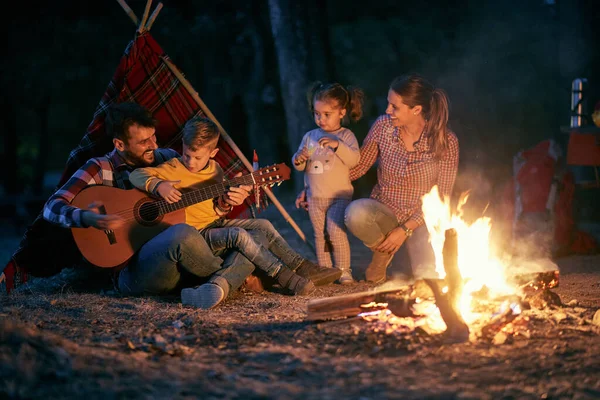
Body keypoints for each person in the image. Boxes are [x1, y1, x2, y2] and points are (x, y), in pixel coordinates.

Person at [42, 102, 258, 309]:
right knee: (183, 233)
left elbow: (202, 210)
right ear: (119, 144)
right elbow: (51, 207)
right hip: (133, 272)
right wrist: (86, 217)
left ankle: (222, 282)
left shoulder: (168, 158)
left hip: (177, 259)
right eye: (144, 141)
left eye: (154, 136)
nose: (154, 145)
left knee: (253, 232)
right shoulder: (99, 168)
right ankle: (238, 277)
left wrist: (224, 203)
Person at [129, 116, 341, 297]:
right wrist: (158, 185)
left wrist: (227, 202)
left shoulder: (216, 171)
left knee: (264, 225)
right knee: (239, 235)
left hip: (214, 224)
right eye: (186, 155)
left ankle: (302, 267)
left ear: (212, 153)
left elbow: (217, 208)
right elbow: (136, 174)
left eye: (197, 157)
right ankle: (286, 278)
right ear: (182, 146)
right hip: (194, 235)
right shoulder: (172, 168)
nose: (191, 162)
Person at [344, 74, 460, 283]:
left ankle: (402, 256)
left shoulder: (446, 141)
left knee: (425, 279)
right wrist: (321, 183)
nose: (388, 111)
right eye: (388, 104)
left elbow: (442, 197)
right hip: (385, 213)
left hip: (421, 222)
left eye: (394, 107)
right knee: (355, 213)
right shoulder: (383, 127)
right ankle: (382, 257)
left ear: (416, 109)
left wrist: (405, 229)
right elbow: (359, 167)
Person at [291, 82, 363, 285]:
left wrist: (337, 145)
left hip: (338, 195)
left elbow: (353, 160)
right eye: (317, 114)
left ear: (341, 112)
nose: (320, 119)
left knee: (335, 230)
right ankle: (325, 271)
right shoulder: (310, 137)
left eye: (326, 114)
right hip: (315, 196)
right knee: (319, 235)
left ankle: (343, 270)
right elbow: (303, 167)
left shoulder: (345, 136)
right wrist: (299, 158)